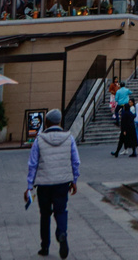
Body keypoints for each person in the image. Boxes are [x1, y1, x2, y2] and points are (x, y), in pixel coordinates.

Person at [25, 108, 79, 259]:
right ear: (60, 121)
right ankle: (61, 232)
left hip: (44, 183)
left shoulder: (39, 139)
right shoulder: (69, 138)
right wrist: (74, 180)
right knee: (61, 211)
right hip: (62, 182)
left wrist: (30, 186)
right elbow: (75, 161)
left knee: (45, 214)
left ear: (47, 122)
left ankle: (45, 247)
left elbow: (33, 164)